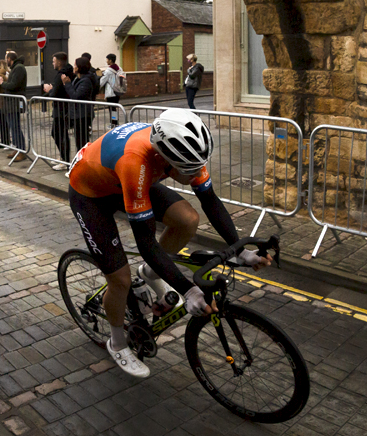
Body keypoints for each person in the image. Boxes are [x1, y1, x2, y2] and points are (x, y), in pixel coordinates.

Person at [68, 109, 271, 377]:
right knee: (120, 280)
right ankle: (117, 343)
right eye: (189, 170)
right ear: (166, 159)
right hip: (91, 194)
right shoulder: (136, 162)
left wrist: (241, 250)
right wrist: (189, 291)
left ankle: (150, 273)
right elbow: (145, 242)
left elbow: (209, 200)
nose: (197, 173)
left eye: (200, 165)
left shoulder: (184, 152)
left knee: (187, 219)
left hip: (124, 180)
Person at [43, 52, 72, 165]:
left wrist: (49, 90)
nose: (52, 63)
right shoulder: (66, 72)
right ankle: (63, 158)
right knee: (59, 134)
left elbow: (55, 93)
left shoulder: (62, 74)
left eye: (54, 61)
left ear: (59, 62)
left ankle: (65, 160)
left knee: (58, 134)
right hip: (62, 109)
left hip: (61, 110)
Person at [68, 55, 100, 153]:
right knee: (79, 140)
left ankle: (84, 160)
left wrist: (67, 84)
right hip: (78, 113)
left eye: (75, 65)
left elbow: (76, 95)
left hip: (82, 114)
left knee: (82, 141)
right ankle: (82, 158)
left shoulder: (86, 81)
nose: (73, 67)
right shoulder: (78, 78)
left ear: (79, 67)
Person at [0, 52, 27, 159]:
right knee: (13, 126)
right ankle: (17, 149)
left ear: (10, 58)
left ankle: (21, 150)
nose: (6, 61)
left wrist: (2, 82)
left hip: (15, 103)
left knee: (15, 127)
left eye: (6, 59)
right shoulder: (16, 68)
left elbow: (13, 85)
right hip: (11, 103)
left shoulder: (19, 68)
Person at [101, 54, 125, 127]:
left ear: (110, 60)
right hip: (117, 91)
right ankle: (115, 122)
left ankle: (113, 123)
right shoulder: (119, 69)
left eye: (107, 59)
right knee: (114, 109)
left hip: (110, 93)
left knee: (111, 109)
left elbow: (101, 82)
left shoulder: (108, 71)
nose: (106, 61)